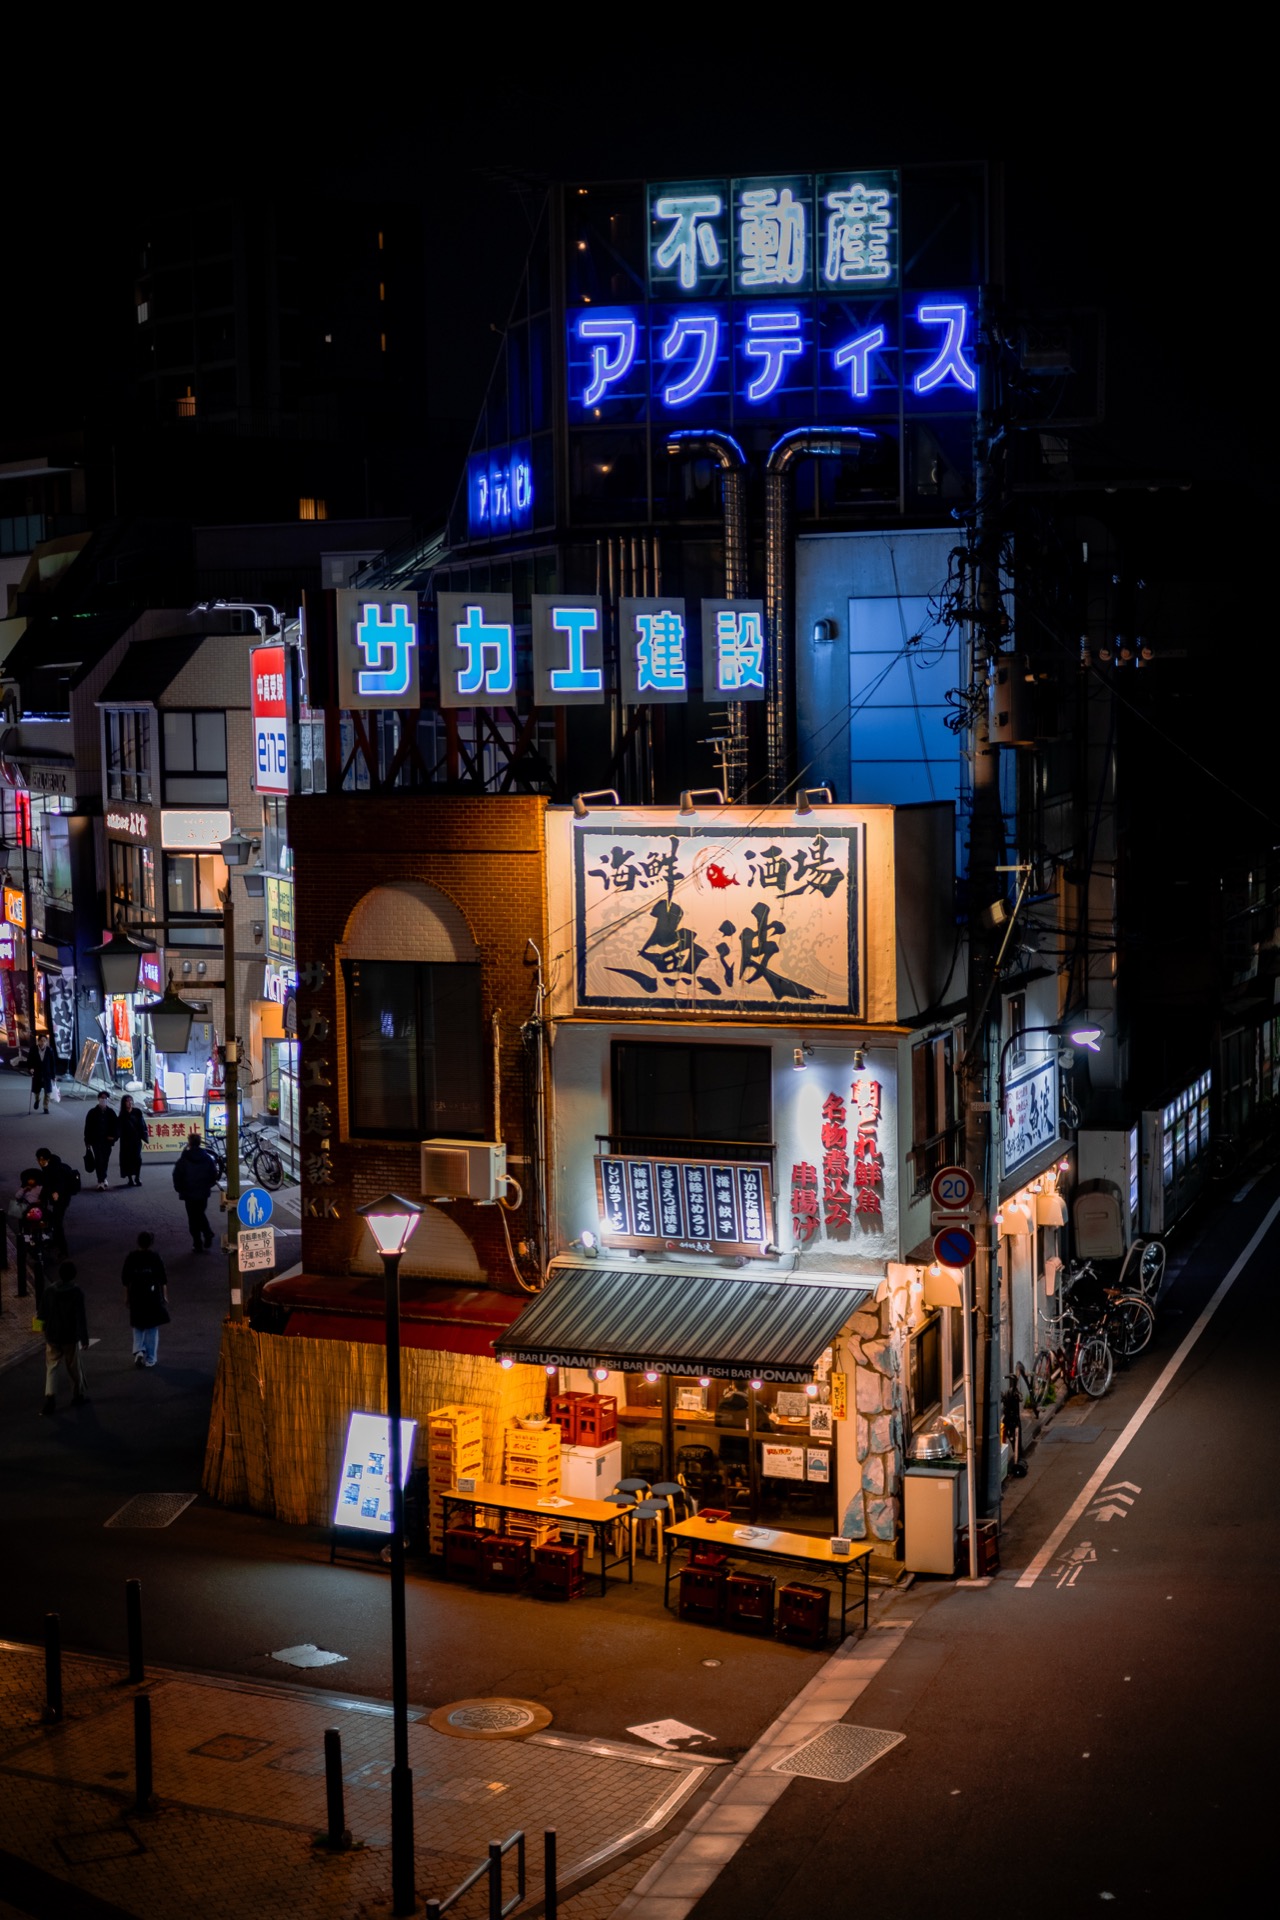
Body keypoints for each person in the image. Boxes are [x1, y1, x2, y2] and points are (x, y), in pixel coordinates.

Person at [40, 1260, 89, 1415]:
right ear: (73, 1275)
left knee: (52, 1367)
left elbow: (42, 1313)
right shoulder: (76, 1292)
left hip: (53, 1335)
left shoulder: (50, 1291)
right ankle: (77, 1394)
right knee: (73, 1367)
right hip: (70, 1336)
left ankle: (50, 1397)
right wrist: (84, 1338)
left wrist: (41, 1329)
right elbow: (81, 1317)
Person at [121, 1231, 169, 1368]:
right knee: (152, 1327)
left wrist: (126, 1297)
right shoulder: (155, 1257)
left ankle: (138, 1351)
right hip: (152, 1295)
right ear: (151, 1243)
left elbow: (125, 1279)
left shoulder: (131, 1257)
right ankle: (151, 1358)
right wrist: (165, 1296)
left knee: (137, 1324)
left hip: (136, 1294)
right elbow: (163, 1278)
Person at [172, 1131, 219, 1252]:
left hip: (188, 1193)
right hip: (203, 1192)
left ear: (189, 1143)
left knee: (193, 1217)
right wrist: (208, 1185)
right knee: (200, 1213)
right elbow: (214, 1174)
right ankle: (206, 1234)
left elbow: (177, 1175)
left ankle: (198, 1242)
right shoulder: (207, 1158)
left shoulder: (184, 1159)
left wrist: (179, 1188)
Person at [6, 1169, 46, 1301]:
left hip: (37, 1209)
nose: (31, 1181)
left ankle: (42, 1236)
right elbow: (17, 1197)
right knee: (23, 1221)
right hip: (27, 1209)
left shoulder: (40, 1188)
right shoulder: (25, 1189)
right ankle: (25, 1236)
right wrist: (24, 1190)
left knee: (42, 1222)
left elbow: (44, 1197)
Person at [35, 1146, 75, 1258]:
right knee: (54, 1220)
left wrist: (57, 1192)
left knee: (58, 1223)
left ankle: (64, 1250)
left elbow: (59, 1183)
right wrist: (42, 1198)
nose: (41, 1162)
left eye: (43, 1159)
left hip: (62, 1198)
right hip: (56, 1198)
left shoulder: (54, 1169)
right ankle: (56, 1241)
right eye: (39, 1159)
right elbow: (47, 1185)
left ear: (48, 1159)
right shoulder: (47, 1168)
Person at [84, 1091, 120, 1190]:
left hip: (107, 1142)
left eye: (105, 1098)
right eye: (102, 1097)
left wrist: (114, 1137)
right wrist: (87, 1141)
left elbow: (116, 1127)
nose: (103, 1099)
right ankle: (100, 1181)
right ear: (98, 1099)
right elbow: (88, 1127)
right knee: (99, 1160)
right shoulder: (92, 1112)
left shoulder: (111, 1112)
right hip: (96, 1141)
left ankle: (103, 1178)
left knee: (105, 1160)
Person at [117, 1093, 149, 1187]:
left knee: (137, 1158)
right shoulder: (122, 1115)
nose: (129, 1103)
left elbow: (143, 1125)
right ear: (124, 1103)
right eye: (127, 1101)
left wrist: (144, 1136)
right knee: (127, 1159)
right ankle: (130, 1178)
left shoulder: (137, 1112)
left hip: (136, 1140)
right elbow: (118, 1128)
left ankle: (137, 1177)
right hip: (126, 1141)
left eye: (131, 1100)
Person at [27, 1034, 61, 1114]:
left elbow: (52, 1064)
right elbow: (29, 1060)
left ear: (46, 1042)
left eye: (44, 1041)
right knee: (36, 1091)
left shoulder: (50, 1050)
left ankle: (46, 1107)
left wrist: (53, 1075)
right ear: (38, 1041)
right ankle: (37, 1100)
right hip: (37, 1073)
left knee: (48, 1091)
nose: (42, 1043)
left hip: (47, 1073)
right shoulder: (33, 1049)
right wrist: (31, 1068)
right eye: (41, 1041)